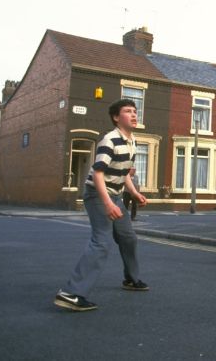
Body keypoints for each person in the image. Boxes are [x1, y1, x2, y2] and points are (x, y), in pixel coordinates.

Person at [54, 99, 149, 312]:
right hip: (97, 195)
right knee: (101, 241)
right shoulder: (110, 140)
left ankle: (131, 279)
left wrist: (134, 193)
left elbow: (124, 173)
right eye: (128, 111)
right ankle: (72, 293)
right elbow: (97, 173)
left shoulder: (132, 140)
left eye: (135, 111)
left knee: (128, 237)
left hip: (114, 195)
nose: (134, 115)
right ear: (116, 117)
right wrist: (107, 204)